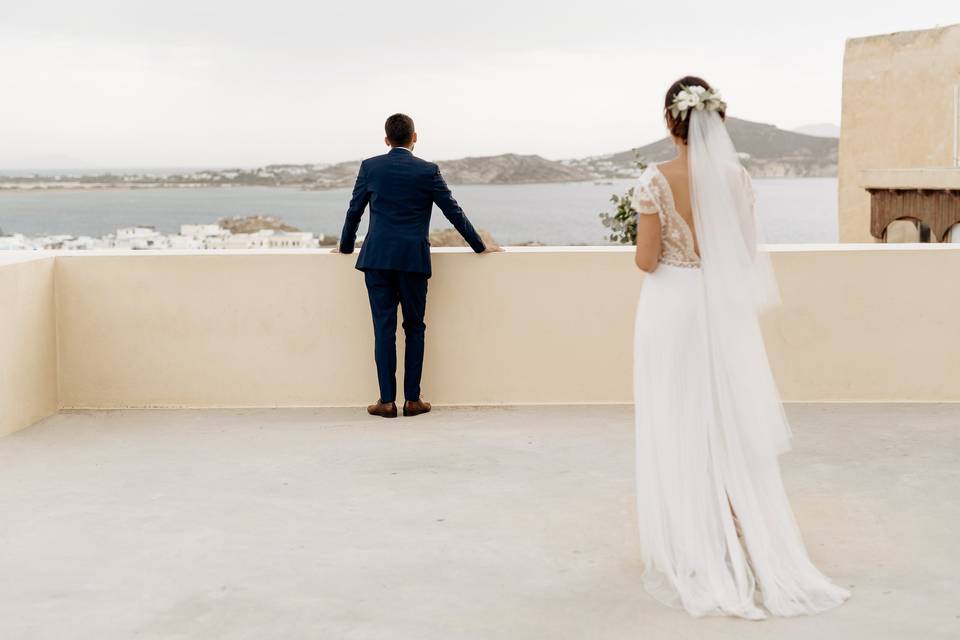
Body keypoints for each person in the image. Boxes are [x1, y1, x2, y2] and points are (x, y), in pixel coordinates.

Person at [631, 77, 851, 618]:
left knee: (679, 416)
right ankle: (739, 529)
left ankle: (695, 540)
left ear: (669, 121)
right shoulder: (738, 177)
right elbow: (745, 251)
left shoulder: (654, 180)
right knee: (726, 417)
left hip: (673, 306)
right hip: (721, 309)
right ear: (717, 120)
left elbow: (646, 259)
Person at [337, 113, 501, 418]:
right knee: (415, 328)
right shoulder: (428, 170)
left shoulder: (370, 167)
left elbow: (354, 212)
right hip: (413, 260)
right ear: (415, 137)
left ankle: (386, 401)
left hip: (377, 260)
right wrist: (479, 245)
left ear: (387, 140)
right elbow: (453, 211)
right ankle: (413, 400)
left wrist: (345, 246)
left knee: (383, 330)